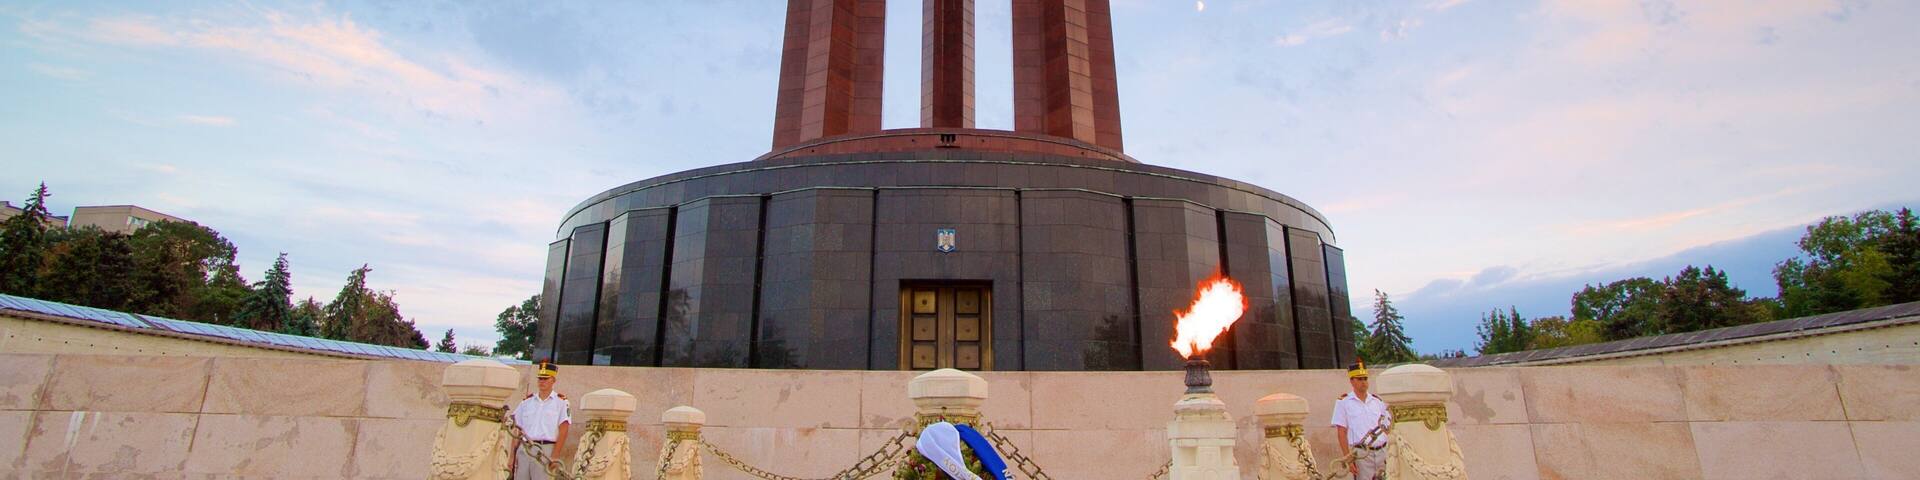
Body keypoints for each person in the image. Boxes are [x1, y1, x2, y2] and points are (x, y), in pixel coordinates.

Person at [512, 361, 571, 480]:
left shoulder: (561, 402)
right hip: (525, 448)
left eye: (545, 378)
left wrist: (554, 456)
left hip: (545, 450)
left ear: (553, 380)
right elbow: (516, 429)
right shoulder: (526, 402)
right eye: (540, 378)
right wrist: (511, 456)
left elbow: (563, 430)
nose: (542, 381)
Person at [1331, 360, 1389, 480]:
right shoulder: (1343, 402)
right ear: (1352, 381)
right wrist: (1348, 458)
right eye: (1359, 379)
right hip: (1362, 454)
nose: (1364, 382)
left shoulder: (1377, 401)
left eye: (1365, 378)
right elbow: (1341, 432)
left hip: (1383, 451)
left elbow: (1387, 427)